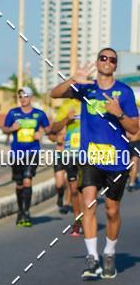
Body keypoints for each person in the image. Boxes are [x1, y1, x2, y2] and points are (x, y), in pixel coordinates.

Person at [50, 49, 139, 279]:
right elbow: (54, 94)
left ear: (115, 66)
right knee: (88, 204)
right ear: (97, 63)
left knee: (112, 210)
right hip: (90, 158)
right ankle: (93, 260)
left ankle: (109, 252)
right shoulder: (86, 89)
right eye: (103, 58)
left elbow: (135, 129)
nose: (107, 62)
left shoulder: (125, 92)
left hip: (116, 159)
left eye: (112, 60)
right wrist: (73, 79)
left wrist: (119, 114)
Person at [2, 86, 50, 227]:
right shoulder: (13, 113)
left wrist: (41, 133)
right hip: (17, 153)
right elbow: (4, 128)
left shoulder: (39, 114)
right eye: (21, 96)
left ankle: (26, 212)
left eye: (26, 96)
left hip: (32, 152)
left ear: (31, 98)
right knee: (19, 184)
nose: (23, 99)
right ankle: (20, 210)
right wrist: (12, 129)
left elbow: (49, 129)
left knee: (28, 181)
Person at [50, 97, 83, 236]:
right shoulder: (67, 107)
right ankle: (78, 221)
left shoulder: (93, 103)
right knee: (73, 188)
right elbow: (53, 131)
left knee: (85, 190)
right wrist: (66, 121)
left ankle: (84, 219)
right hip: (66, 153)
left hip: (89, 152)